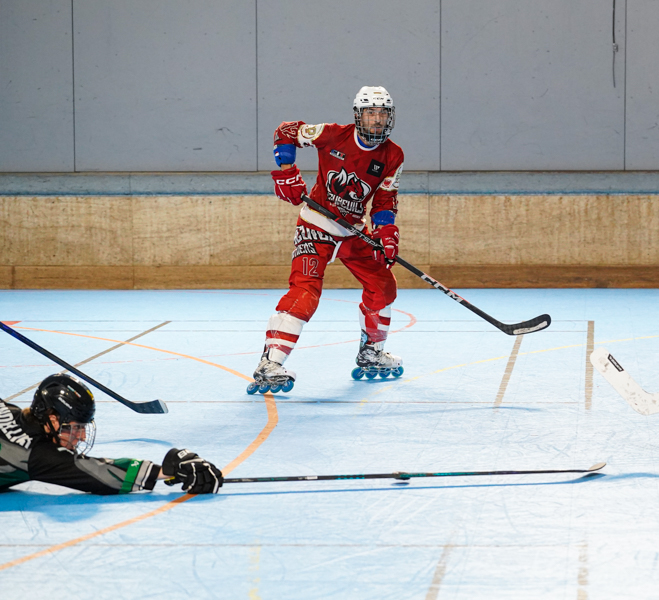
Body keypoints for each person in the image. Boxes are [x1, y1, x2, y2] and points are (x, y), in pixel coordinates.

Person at [248, 85, 405, 393]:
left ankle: (371, 353)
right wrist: (287, 171)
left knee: (383, 285)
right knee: (305, 291)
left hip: (353, 231)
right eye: (370, 113)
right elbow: (286, 131)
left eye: (382, 113)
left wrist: (386, 233)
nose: (377, 120)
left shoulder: (393, 155)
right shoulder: (332, 135)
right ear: (358, 116)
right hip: (316, 226)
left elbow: (385, 200)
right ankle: (270, 363)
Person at [0, 373, 223, 495]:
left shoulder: (9, 410)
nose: (82, 437)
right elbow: (97, 472)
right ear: (52, 418)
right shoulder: (37, 455)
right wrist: (165, 471)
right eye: (75, 428)